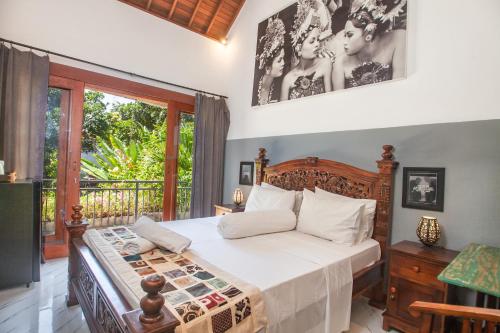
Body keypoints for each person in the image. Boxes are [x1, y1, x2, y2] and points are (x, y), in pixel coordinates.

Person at [332, 0, 407, 90]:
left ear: (369, 34)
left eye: (349, 35)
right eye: (345, 35)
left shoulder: (398, 38)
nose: (344, 42)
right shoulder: (340, 63)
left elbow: (400, 87)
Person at [281, 4, 333, 101]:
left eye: (318, 39)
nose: (317, 44)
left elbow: (330, 102)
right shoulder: (288, 80)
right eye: (312, 41)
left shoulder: (325, 64)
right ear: (299, 49)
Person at [254, 16, 286, 106]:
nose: (283, 63)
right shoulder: (254, 87)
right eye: (279, 60)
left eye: (283, 58)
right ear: (267, 68)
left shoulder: (280, 87)